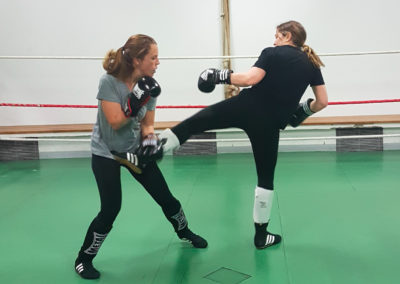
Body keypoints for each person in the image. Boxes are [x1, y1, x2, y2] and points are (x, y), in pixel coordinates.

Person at [157, 21, 329, 249]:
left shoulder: (272, 53)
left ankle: (154, 150)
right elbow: (323, 101)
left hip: (245, 107)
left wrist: (219, 75)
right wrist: (303, 111)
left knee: (194, 123)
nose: (274, 40)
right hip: (269, 125)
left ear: (287, 36)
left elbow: (250, 79)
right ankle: (261, 236)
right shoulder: (311, 64)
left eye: (277, 36)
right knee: (265, 179)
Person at [74, 34, 207, 280]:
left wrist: (149, 142)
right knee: (111, 209)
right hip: (106, 152)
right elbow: (114, 122)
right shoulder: (109, 82)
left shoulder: (150, 84)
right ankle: (83, 259)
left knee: (167, 198)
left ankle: (184, 232)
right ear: (137, 60)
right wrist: (134, 103)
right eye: (153, 57)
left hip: (133, 150)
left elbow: (147, 124)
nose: (158, 62)